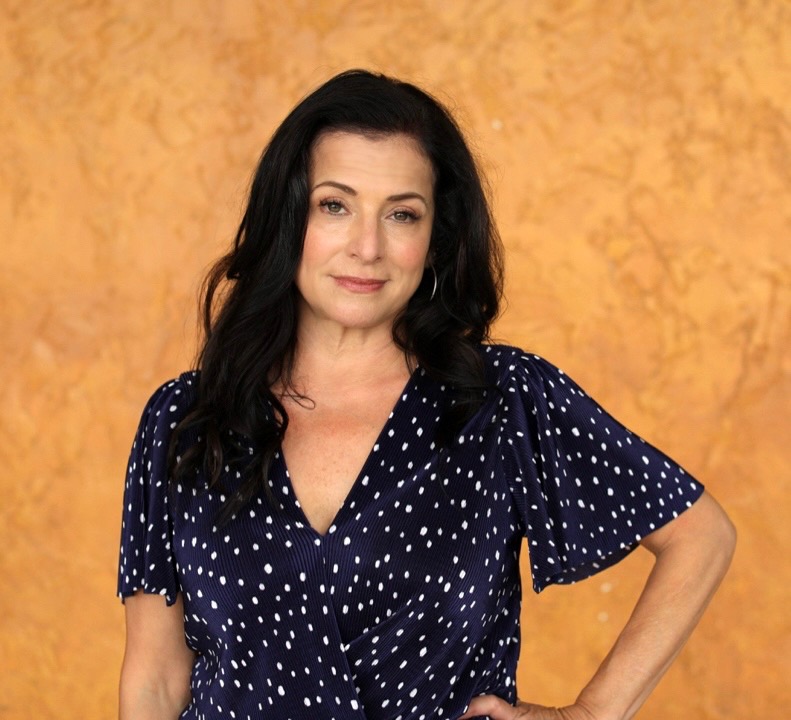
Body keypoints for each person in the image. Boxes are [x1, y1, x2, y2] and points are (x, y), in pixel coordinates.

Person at [117, 69, 736, 720]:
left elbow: (701, 537)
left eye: (401, 214)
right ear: (287, 215)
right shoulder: (185, 419)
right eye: (335, 205)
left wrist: (592, 712)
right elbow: (154, 679)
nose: (366, 247)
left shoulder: (502, 403)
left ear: (435, 239)